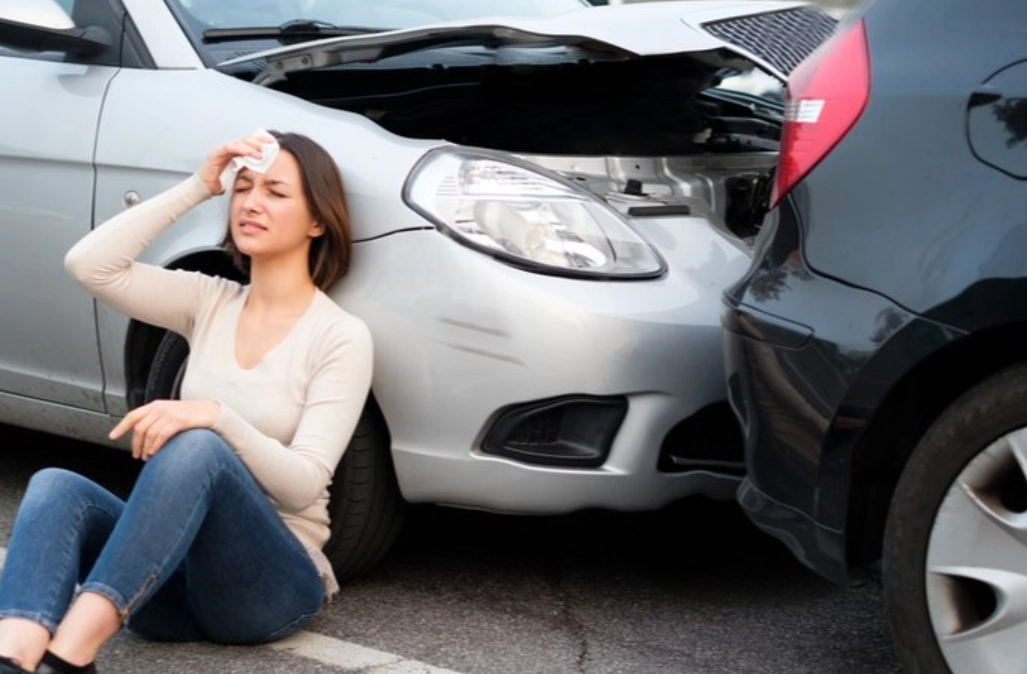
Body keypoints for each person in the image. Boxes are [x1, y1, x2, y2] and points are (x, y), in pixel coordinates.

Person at [0, 131, 373, 674]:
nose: (251, 202)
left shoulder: (340, 335)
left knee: (198, 442)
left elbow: (305, 483)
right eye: (243, 188)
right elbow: (90, 265)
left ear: (318, 220)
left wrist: (217, 418)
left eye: (275, 191)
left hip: (266, 589)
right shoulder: (210, 301)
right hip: (167, 585)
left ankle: (71, 657)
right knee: (57, 486)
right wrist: (200, 186)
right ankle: (13, 655)